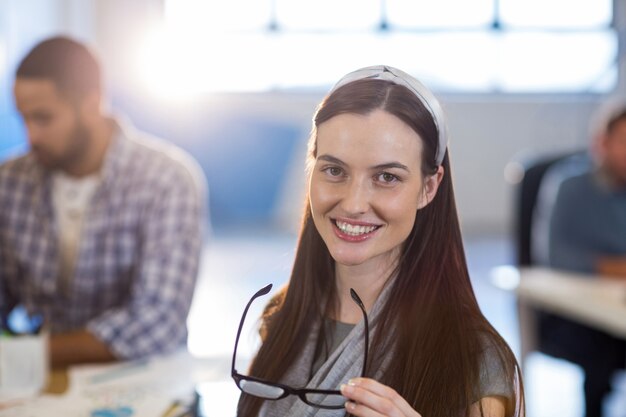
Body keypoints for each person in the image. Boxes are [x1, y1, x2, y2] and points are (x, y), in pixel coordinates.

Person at [233, 66, 524, 417]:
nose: (354, 204)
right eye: (334, 171)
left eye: (386, 177)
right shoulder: (280, 318)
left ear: (429, 187)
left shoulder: (473, 359)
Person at [0, 36, 206, 367]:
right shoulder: (9, 181)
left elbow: (159, 320)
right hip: (40, 382)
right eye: (23, 119)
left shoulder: (167, 179)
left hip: (146, 379)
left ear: (91, 103)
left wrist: (28, 354)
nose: (31, 136)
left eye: (43, 118)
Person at [539, 103, 626, 417]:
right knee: (601, 347)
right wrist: (613, 267)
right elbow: (556, 256)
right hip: (574, 315)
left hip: (618, 307)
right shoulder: (571, 188)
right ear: (601, 143)